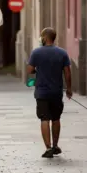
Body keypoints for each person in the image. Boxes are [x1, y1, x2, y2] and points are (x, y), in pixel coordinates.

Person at [27, 27, 72, 158]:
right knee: (56, 118)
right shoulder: (62, 53)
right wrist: (69, 88)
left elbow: (29, 70)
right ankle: (55, 145)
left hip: (42, 92)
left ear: (44, 38)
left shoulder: (36, 53)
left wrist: (37, 70)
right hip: (56, 92)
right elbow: (67, 73)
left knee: (44, 118)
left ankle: (48, 148)